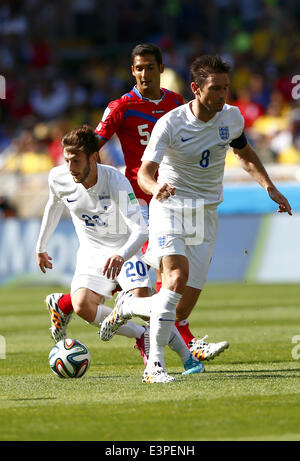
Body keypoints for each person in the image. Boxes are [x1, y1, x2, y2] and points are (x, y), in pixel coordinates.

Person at [99, 54, 292, 383]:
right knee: (174, 279)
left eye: (226, 88)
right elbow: (145, 173)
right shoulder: (171, 123)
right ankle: (154, 367)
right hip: (170, 209)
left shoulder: (231, 118)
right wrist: (156, 187)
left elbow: (244, 154)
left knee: (180, 311)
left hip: (206, 214)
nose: (222, 95)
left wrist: (270, 187)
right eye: (215, 88)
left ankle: (129, 307)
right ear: (195, 89)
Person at [45, 43, 227, 361]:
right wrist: (98, 193)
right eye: (139, 68)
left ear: (160, 68)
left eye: (150, 67)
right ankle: (182, 343)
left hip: (172, 199)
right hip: (136, 204)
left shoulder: (173, 102)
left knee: (161, 270)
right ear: (133, 71)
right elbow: (91, 147)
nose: (144, 73)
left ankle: (65, 303)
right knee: (157, 274)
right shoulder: (121, 107)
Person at [36, 125, 204, 378]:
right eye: (67, 160)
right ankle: (140, 336)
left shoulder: (115, 180)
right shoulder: (58, 177)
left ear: (94, 157)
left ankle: (187, 359)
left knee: (144, 304)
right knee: (82, 305)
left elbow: (141, 230)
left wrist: (121, 256)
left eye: (76, 161)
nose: (70, 167)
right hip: (92, 252)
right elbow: (53, 205)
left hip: (127, 248)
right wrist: (41, 247)